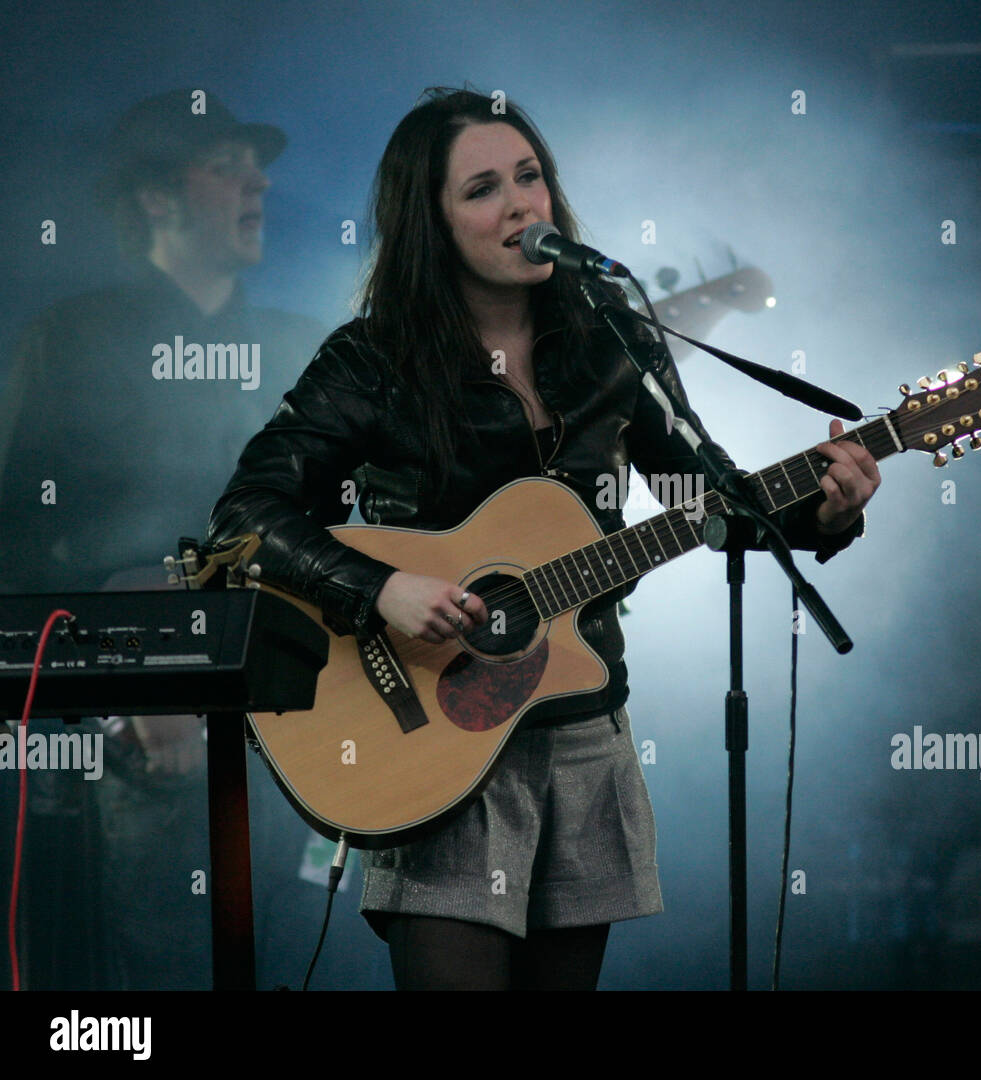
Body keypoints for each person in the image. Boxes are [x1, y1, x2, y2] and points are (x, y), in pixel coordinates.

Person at [205, 86, 880, 990]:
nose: (522, 204)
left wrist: (825, 512)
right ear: (432, 224)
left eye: (531, 177)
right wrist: (381, 588)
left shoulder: (608, 340)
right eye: (484, 189)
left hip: (580, 726)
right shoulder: (372, 362)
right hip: (429, 731)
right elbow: (246, 516)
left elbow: (704, 496)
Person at [0, 89, 324, 989]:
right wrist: (135, 669)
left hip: (302, 730)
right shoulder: (72, 338)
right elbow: (21, 539)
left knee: (302, 957)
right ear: (155, 198)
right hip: (142, 752)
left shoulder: (303, 347)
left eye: (255, 165)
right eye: (225, 164)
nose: (257, 179)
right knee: (161, 967)